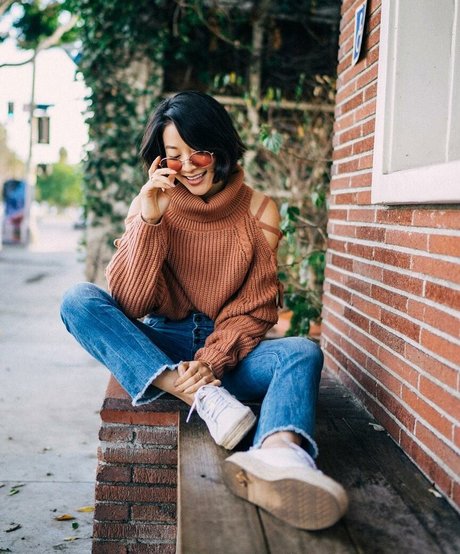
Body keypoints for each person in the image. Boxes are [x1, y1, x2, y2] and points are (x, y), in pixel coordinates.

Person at [60, 90, 348, 530]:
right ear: (160, 160)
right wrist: (150, 222)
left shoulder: (259, 211)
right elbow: (131, 303)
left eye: (199, 152)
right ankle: (201, 398)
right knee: (77, 300)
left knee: (302, 352)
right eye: (174, 156)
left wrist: (210, 363)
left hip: (228, 351)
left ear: (221, 149)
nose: (188, 166)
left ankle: (279, 457)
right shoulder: (149, 203)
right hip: (162, 345)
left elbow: (253, 310)